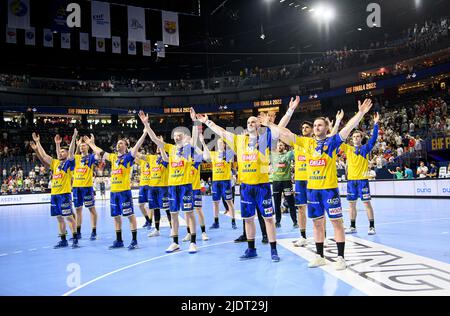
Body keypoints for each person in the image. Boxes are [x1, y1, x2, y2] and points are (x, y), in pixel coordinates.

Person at [263, 98, 374, 270]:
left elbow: (348, 128)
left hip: (329, 190)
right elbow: (284, 133)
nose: (316, 128)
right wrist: (271, 124)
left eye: (319, 125)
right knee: (316, 223)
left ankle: (340, 258)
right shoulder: (306, 142)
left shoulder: (333, 142)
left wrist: (360, 113)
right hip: (312, 190)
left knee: (336, 223)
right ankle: (320, 256)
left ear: (327, 128)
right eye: (314, 125)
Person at [195, 109, 280, 262]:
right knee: (248, 219)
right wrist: (207, 121)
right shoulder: (240, 141)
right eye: (248, 122)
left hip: (262, 186)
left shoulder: (264, 138)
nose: (250, 124)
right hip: (246, 187)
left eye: (253, 121)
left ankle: (273, 250)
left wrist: (271, 122)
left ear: (258, 124)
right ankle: (251, 249)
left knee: (268, 219)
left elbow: (279, 131)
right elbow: (221, 132)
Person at [138, 111, 199, 254]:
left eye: (180, 135)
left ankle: (193, 242)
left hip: (185, 185)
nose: (177, 136)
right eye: (176, 135)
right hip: (172, 186)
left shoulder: (188, 149)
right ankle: (175, 243)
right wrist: (146, 124)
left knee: (189, 213)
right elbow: (154, 139)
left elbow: (195, 138)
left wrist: (195, 121)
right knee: (173, 214)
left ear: (184, 137)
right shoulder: (171, 149)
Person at [83, 128, 148, 250]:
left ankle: (134, 241)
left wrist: (144, 132)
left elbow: (138, 145)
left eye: (121, 143)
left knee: (130, 215)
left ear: (126, 146)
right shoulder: (113, 157)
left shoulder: (129, 157)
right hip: (114, 192)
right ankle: (119, 241)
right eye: (118, 143)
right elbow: (100, 151)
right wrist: (91, 143)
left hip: (124, 192)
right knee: (116, 216)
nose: (119, 144)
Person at [30, 130, 79, 249]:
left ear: (67, 154)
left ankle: (75, 238)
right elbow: (45, 155)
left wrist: (73, 138)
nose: (61, 153)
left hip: (64, 194)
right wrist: (38, 142)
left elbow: (71, 151)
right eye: (60, 151)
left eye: (63, 152)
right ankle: (63, 240)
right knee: (59, 218)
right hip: (54, 195)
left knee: (69, 217)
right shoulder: (55, 163)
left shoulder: (69, 163)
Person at [341, 113, 379, 235]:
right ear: (351, 139)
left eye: (358, 136)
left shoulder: (365, 148)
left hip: (362, 180)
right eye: (354, 136)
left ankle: (372, 226)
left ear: (361, 138)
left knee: (367, 203)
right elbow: (337, 138)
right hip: (351, 181)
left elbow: (374, 138)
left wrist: (376, 124)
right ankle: (352, 226)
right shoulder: (348, 148)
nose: (356, 138)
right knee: (351, 205)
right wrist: (334, 127)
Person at [200, 135, 237, 230]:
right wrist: (203, 142)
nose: (220, 144)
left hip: (225, 181)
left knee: (229, 202)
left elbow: (233, 152)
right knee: (215, 202)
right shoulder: (214, 154)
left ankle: (233, 221)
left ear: (224, 144)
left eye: (222, 143)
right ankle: (216, 222)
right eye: (218, 143)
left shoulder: (228, 154)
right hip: (216, 182)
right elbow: (205, 155)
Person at [72, 136, 99, 240]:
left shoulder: (91, 157)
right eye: (81, 146)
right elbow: (71, 156)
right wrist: (76, 145)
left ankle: (94, 231)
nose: (82, 147)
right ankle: (78, 232)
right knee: (78, 210)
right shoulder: (77, 158)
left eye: (84, 145)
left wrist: (92, 143)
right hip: (76, 187)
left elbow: (98, 154)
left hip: (87, 187)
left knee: (91, 209)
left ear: (88, 147)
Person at [270, 140, 296, 228]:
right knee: (277, 203)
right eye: (278, 145)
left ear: (284, 146)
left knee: (291, 202)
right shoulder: (273, 155)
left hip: (286, 182)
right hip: (276, 182)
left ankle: (295, 221)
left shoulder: (288, 154)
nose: (279, 147)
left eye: (281, 145)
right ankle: (277, 221)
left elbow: (296, 148)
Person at [135, 149, 154, 230]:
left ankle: (150, 221)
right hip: (142, 185)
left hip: (150, 184)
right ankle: (147, 220)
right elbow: (134, 157)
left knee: (150, 205)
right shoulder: (142, 162)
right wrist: (129, 149)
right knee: (140, 205)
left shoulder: (153, 161)